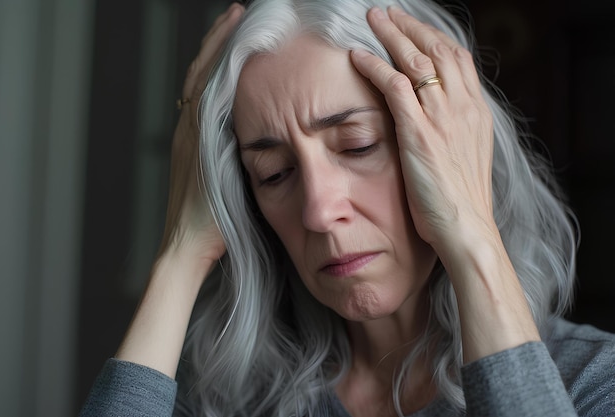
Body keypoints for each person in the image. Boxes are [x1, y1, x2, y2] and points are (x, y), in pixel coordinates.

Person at [80, 0, 615, 416]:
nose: (318, 210)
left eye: (358, 145)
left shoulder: (592, 381)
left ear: (454, 149)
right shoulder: (229, 400)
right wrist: (179, 256)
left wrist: (472, 234)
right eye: (274, 174)